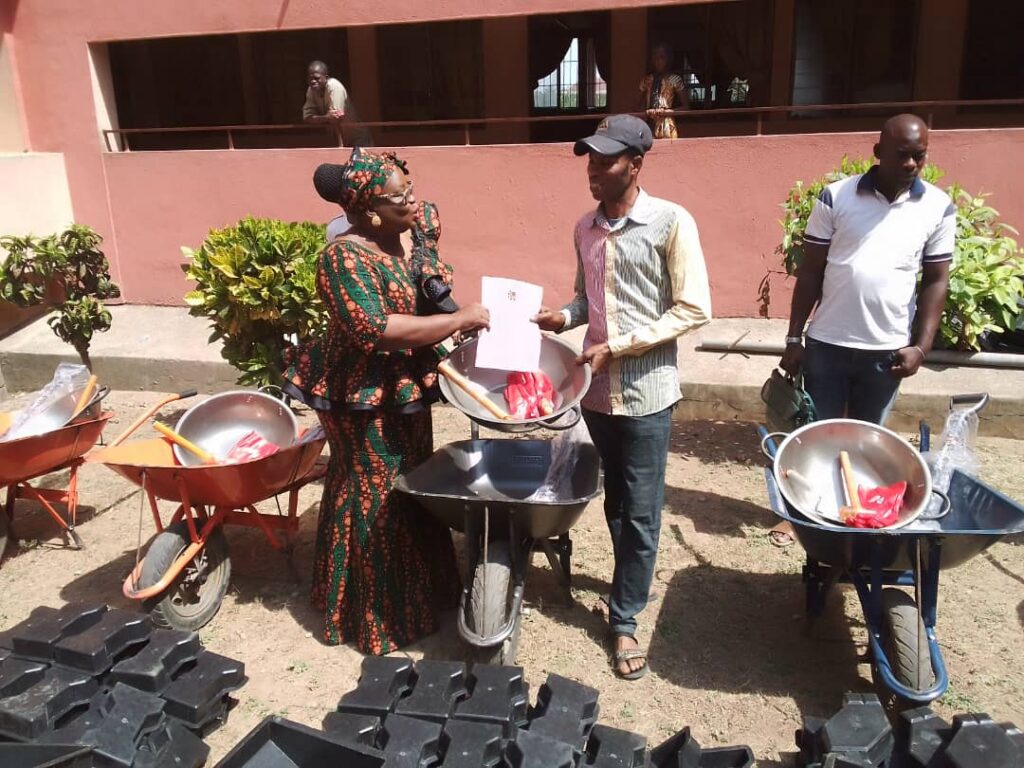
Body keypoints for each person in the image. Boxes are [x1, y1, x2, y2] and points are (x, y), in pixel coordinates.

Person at [281, 148, 490, 654]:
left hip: (405, 385)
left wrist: (448, 309)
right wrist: (459, 321)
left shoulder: (410, 233)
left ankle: (426, 594)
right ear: (370, 210)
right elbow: (376, 329)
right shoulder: (343, 259)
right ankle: (374, 616)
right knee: (373, 490)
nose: (413, 199)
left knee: (414, 482)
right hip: (361, 393)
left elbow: (427, 275)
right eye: (400, 196)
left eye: (410, 187)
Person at [533, 115, 712, 679]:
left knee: (639, 510)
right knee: (612, 501)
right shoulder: (585, 227)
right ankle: (628, 579)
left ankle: (626, 617)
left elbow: (692, 308)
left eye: (606, 160)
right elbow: (589, 300)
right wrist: (561, 316)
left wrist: (622, 346)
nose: (593, 170)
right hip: (597, 393)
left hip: (647, 395)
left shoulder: (669, 223)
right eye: (589, 159)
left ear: (636, 164)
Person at [772, 113, 954, 546]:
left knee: (870, 443)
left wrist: (921, 348)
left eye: (919, 156)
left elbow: (936, 281)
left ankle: (857, 517)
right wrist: (795, 338)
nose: (911, 164)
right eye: (902, 154)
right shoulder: (837, 198)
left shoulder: (937, 206)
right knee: (816, 437)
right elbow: (811, 271)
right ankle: (803, 515)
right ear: (878, 153)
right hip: (828, 345)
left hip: (887, 352)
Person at [639, 43, 688, 140]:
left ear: (668, 59)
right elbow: (636, 106)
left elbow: (686, 108)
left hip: (667, 128)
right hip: (648, 126)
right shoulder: (647, 81)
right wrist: (647, 112)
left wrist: (666, 112)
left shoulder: (675, 80)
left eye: (662, 57)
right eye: (655, 57)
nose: (658, 61)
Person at [302, 61, 348, 144]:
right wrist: (326, 117)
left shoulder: (334, 86)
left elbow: (335, 119)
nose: (313, 81)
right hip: (336, 140)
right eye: (310, 78)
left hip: (356, 139)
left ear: (326, 78)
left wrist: (319, 118)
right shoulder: (311, 90)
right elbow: (307, 117)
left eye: (317, 78)